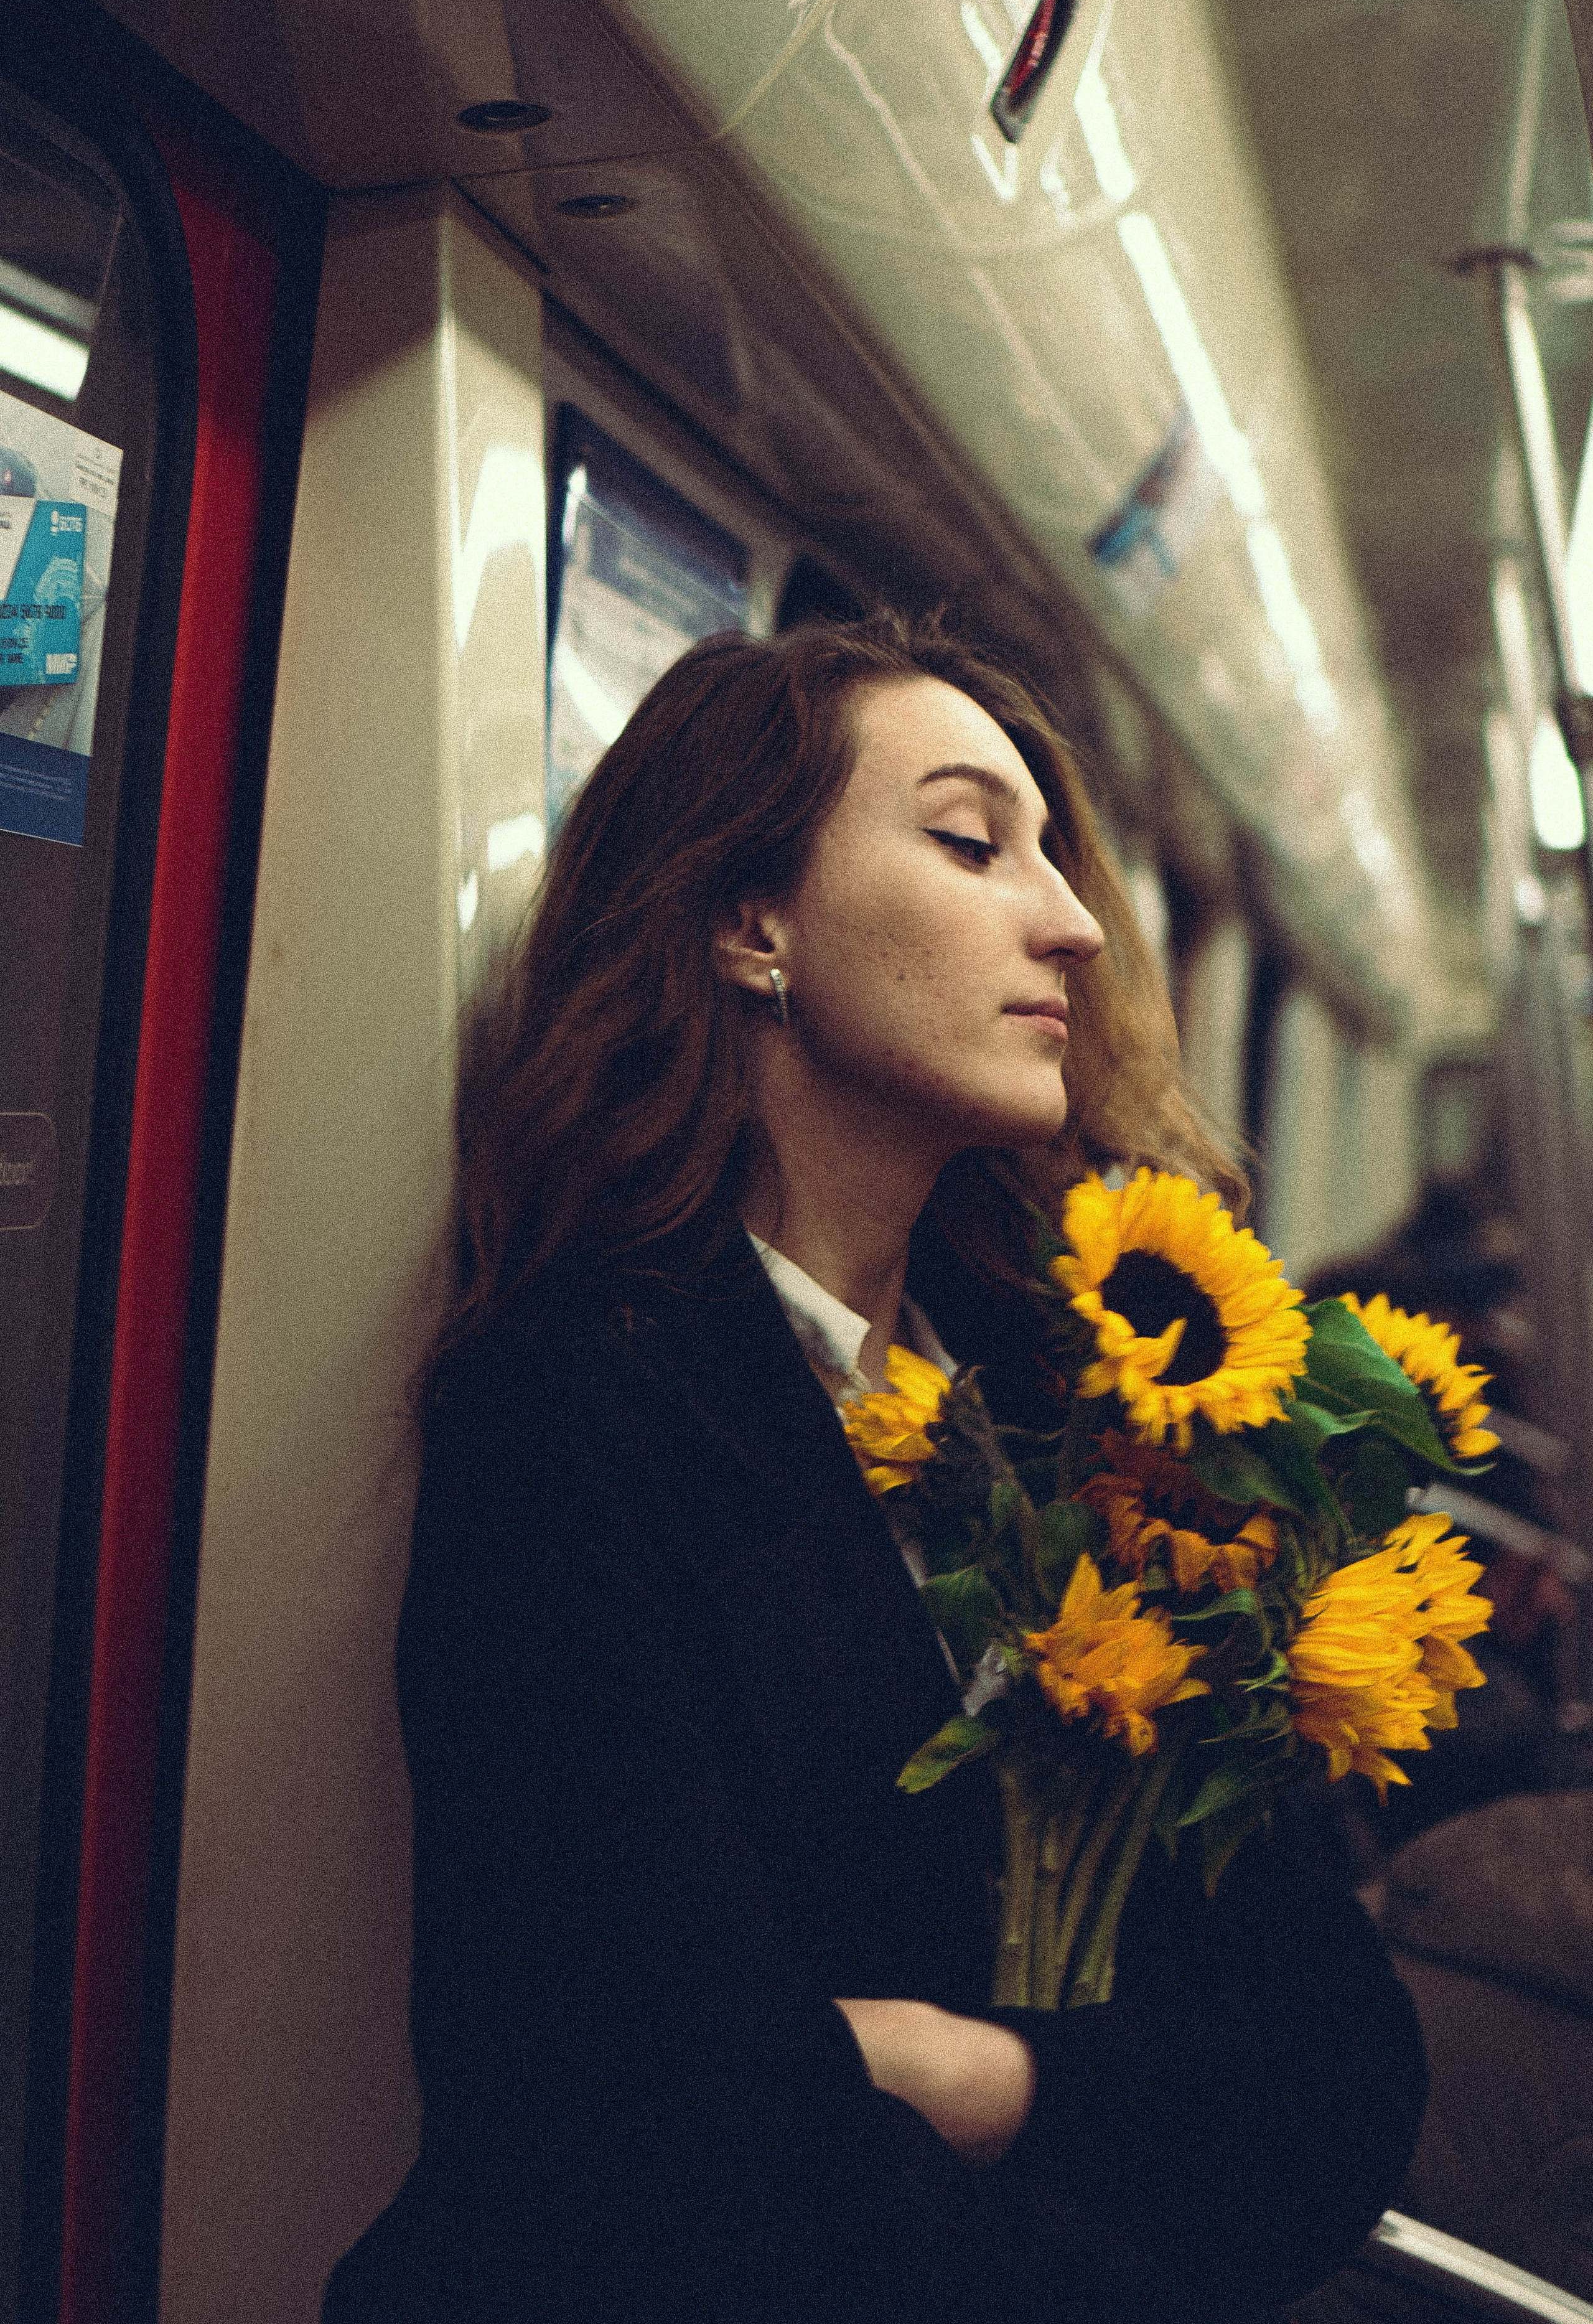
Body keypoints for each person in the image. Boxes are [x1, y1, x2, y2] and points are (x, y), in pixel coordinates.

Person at [322, 615, 1427, 2324]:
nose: (1071, 924)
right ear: (750, 924)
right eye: (974, 842)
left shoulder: (1078, 1412)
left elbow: (1344, 2059)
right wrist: (1153, 2132)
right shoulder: (580, 1410)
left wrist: (989, 2078)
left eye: (1053, 856)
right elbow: (666, 2125)